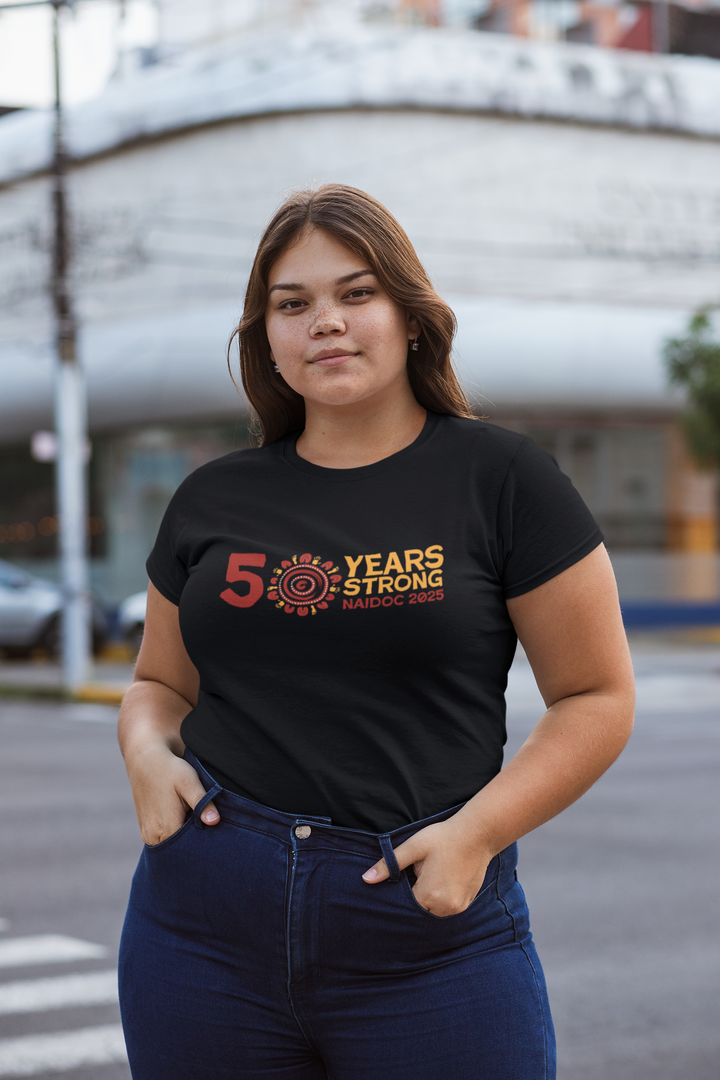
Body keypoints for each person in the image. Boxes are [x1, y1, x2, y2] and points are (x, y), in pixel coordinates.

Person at [117, 184, 635, 1080]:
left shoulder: (503, 478)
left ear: (410, 315)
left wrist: (477, 835)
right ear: (268, 339)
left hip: (426, 934)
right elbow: (159, 685)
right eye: (294, 304)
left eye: (357, 294)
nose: (326, 321)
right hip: (200, 933)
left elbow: (596, 697)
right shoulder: (213, 498)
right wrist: (144, 752)